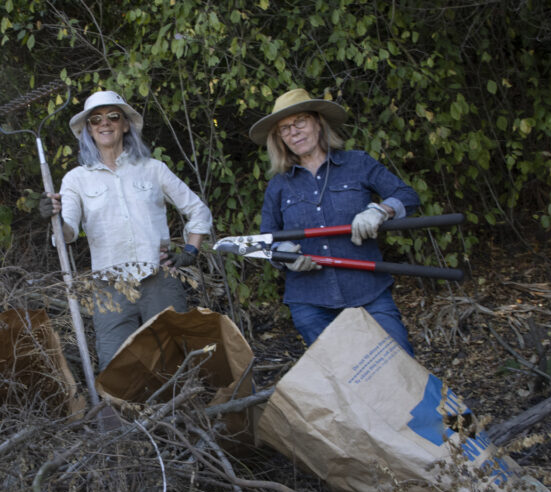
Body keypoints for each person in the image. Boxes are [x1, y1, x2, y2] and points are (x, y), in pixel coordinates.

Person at [39, 90, 213, 370]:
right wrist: (55, 219)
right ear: (88, 130)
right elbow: (66, 235)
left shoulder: (153, 169)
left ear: (125, 124)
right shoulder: (76, 179)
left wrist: (190, 250)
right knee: (116, 365)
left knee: (176, 357)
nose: (104, 124)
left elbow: (198, 210)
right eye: (95, 120)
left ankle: (182, 411)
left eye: (112, 117)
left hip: (159, 280)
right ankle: (129, 414)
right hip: (110, 287)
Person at [249, 88, 420, 356]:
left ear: (318, 122)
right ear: (279, 139)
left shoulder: (358, 163)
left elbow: (406, 195)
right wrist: (284, 256)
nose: (293, 132)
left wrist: (380, 210)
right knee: (343, 381)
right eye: (284, 128)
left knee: (400, 364)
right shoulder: (278, 186)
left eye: (300, 121)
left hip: (368, 292)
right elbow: (267, 240)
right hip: (310, 303)